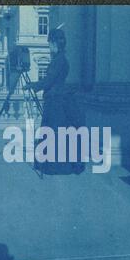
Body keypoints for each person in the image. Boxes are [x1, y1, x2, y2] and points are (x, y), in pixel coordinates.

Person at [23, 29, 85, 175]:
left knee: (52, 133)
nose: (49, 46)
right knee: (56, 134)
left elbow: (49, 80)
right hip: (58, 101)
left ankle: (54, 167)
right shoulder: (61, 59)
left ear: (55, 43)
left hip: (55, 102)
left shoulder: (58, 61)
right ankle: (54, 165)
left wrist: (33, 85)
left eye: (50, 43)